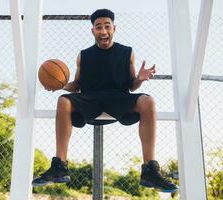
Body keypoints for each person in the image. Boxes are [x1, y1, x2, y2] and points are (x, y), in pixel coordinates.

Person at [32, 8, 178, 193]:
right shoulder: (83, 56)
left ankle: (150, 169)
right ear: (92, 31)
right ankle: (59, 166)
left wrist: (140, 78)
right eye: (98, 27)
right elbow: (76, 85)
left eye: (107, 26)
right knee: (63, 101)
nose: (103, 31)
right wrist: (61, 85)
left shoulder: (127, 52)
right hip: (90, 98)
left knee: (148, 101)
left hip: (118, 97)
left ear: (114, 28)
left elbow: (131, 86)